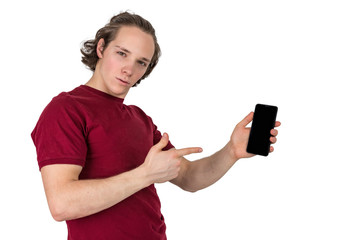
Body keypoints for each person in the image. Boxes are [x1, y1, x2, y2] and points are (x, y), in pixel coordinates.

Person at [31, 11, 280, 240]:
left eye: (141, 62)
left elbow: (189, 177)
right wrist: (145, 175)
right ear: (101, 48)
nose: (129, 69)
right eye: (121, 53)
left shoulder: (140, 119)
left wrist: (231, 151)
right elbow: (61, 204)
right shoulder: (66, 109)